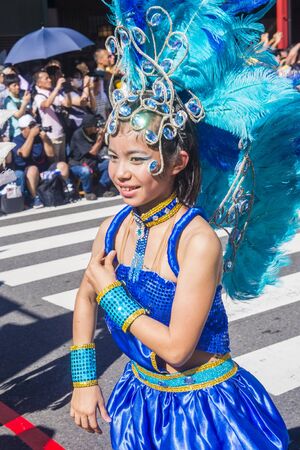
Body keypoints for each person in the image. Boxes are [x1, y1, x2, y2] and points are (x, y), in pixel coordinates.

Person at [69, 2, 300, 449]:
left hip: (205, 411)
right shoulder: (114, 225)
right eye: (114, 157)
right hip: (139, 400)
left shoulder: (198, 242)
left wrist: (111, 292)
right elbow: (84, 299)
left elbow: (175, 349)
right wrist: (83, 380)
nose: (121, 173)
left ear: (178, 161)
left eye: (138, 159)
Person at [11, 114, 70, 208]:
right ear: (23, 129)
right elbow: (24, 153)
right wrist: (31, 136)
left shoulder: (40, 137)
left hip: (44, 171)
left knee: (63, 165)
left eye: (34, 126)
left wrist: (45, 140)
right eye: (30, 127)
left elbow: (51, 154)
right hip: (29, 174)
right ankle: (35, 198)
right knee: (33, 169)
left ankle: (66, 191)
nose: (34, 129)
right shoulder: (16, 140)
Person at [68, 114, 115, 200]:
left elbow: (107, 144)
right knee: (86, 171)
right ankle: (88, 192)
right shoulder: (78, 135)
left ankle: (102, 188)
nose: (96, 127)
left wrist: (105, 135)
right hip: (78, 165)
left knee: (109, 163)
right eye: (94, 126)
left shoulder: (94, 133)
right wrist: (100, 138)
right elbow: (93, 152)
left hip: (92, 162)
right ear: (88, 127)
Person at [33, 69, 71, 163]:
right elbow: (46, 104)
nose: (49, 80)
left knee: (63, 162)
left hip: (61, 133)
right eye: (46, 79)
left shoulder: (53, 92)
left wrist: (67, 90)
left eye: (49, 78)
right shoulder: (38, 96)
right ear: (39, 83)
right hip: (51, 137)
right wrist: (57, 87)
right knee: (55, 164)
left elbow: (67, 104)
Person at [4, 74, 31, 140]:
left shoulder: (22, 96)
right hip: (17, 134)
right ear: (8, 87)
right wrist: (25, 102)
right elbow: (18, 115)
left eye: (18, 84)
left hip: (28, 130)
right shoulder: (8, 100)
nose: (18, 87)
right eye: (14, 85)